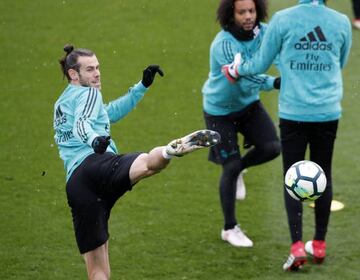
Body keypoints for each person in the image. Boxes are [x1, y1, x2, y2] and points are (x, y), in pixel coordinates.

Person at [54, 45, 220, 280]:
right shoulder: (89, 94)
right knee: (146, 165)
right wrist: (93, 141)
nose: (97, 74)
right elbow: (82, 124)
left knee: (98, 271)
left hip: (78, 186)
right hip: (96, 164)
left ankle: (169, 152)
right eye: (90, 69)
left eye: (98, 68)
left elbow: (106, 114)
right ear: (73, 74)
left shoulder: (62, 103)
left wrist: (140, 87)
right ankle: (169, 151)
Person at [222, 0, 352, 271]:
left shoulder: (282, 20)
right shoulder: (340, 22)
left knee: (293, 175)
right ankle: (319, 243)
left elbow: (260, 62)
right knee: (322, 173)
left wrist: (237, 69)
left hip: (294, 111)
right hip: (327, 111)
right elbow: (340, 61)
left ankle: (296, 246)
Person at [201, 0, 281, 248]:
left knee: (272, 148)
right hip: (219, 111)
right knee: (230, 165)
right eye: (241, 12)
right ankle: (229, 228)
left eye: (251, 11)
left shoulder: (265, 33)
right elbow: (242, 79)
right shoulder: (223, 44)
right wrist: (274, 83)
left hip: (248, 106)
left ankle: (239, 170)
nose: (248, 16)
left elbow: (280, 55)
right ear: (231, 14)